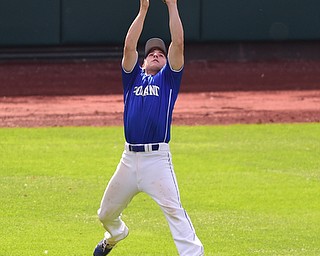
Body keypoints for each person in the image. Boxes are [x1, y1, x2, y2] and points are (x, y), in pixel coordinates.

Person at [93, 0, 204, 255]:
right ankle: (117, 234)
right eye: (151, 52)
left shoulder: (168, 80)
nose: (156, 54)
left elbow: (178, 43)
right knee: (105, 214)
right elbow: (129, 46)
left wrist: (172, 5)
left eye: (161, 53)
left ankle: (195, 253)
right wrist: (143, 11)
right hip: (128, 159)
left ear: (167, 62)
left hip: (157, 160)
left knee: (175, 211)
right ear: (143, 61)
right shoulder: (132, 78)